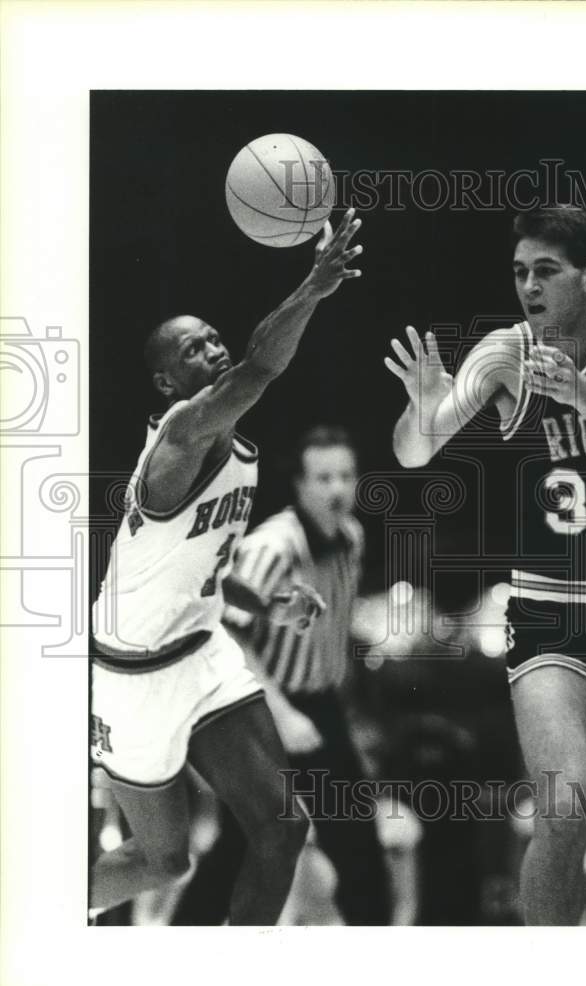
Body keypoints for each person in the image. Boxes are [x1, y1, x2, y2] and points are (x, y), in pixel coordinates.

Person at [385, 205, 586, 926]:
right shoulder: (502, 352)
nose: (528, 284)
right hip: (546, 614)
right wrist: (422, 409)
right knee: (563, 805)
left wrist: (580, 393)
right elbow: (413, 451)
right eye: (520, 271)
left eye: (545, 270)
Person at [89, 208, 364, 925]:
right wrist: (313, 285)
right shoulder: (180, 437)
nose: (210, 349)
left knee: (283, 825)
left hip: (204, 650)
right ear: (163, 383)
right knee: (163, 859)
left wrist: (264, 602)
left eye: (212, 339)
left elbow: (205, 567)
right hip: (133, 672)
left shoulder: (238, 454)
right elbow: (263, 363)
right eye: (191, 350)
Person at [172, 426, 391, 926]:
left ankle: (380, 956)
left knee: (356, 838)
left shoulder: (351, 536)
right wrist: (283, 712)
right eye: (323, 477)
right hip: (258, 706)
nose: (336, 488)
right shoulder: (272, 548)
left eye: (345, 475)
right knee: (245, 840)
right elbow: (224, 633)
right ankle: (181, 945)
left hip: (320, 703)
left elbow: (332, 631)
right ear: (299, 485)